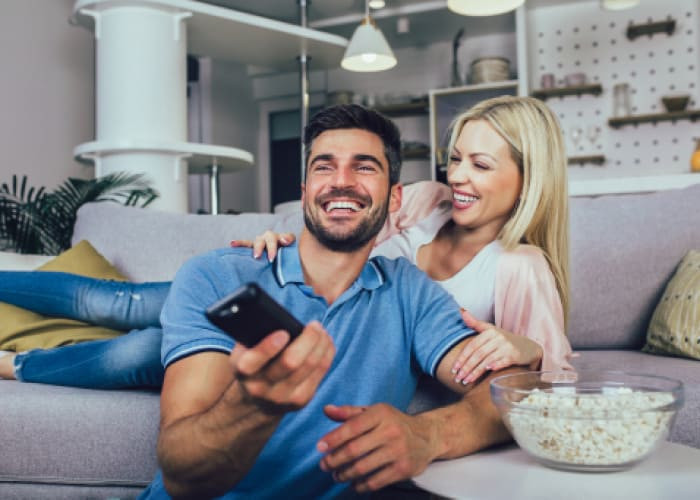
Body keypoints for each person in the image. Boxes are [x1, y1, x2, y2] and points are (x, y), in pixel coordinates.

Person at [139, 103, 520, 499]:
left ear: (394, 199)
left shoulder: (411, 293)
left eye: (365, 166)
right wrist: (253, 406)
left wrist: (431, 432)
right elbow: (182, 476)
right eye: (324, 166)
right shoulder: (217, 276)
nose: (341, 181)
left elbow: (507, 392)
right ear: (305, 193)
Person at [235, 94, 573, 381]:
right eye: (455, 159)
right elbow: (343, 238)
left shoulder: (519, 265)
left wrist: (532, 351)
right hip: (324, 337)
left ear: (528, 180)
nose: (456, 176)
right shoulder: (426, 201)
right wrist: (287, 247)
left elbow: (554, 380)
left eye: (480, 165)